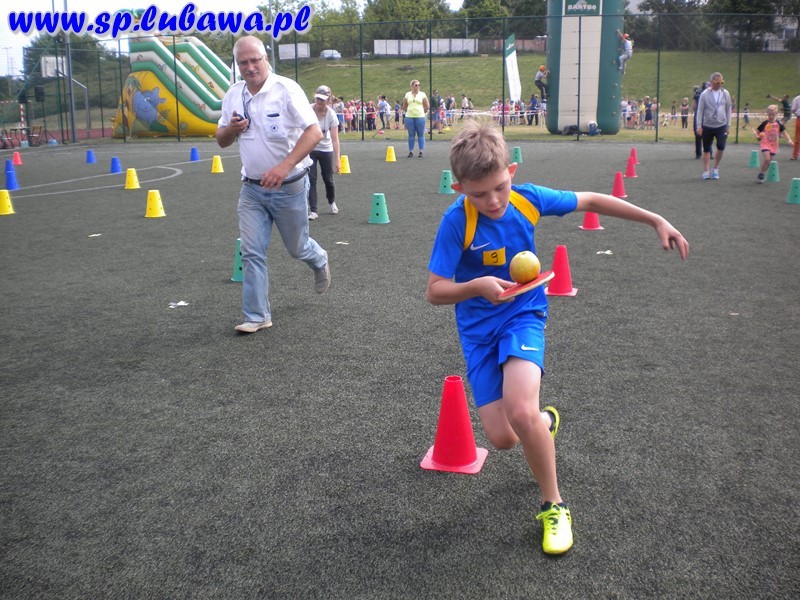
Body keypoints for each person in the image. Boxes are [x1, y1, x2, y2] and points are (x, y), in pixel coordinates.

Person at [425, 121, 689, 556]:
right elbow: (434, 291)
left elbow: (590, 200)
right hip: (477, 331)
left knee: (520, 410)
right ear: (459, 189)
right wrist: (476, 286)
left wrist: (654, 219)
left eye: (500, 187)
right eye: (479, 194)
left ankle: (554, 505)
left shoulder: (527, 199)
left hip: (523, 315)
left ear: (512, 171)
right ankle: (544, 424)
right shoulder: (457, 221)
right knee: (503, 437)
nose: (493, 201)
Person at [216, 36, 330, 334]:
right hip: (251, 189)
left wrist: (284, 167)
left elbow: (314, 132)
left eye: (255, 60)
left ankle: (319, 259)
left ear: (266, 58)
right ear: (237, 65)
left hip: (290, 186)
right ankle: (257, 316)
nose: (250, 67)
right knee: (251, 252)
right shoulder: (233, 94)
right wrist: (231, 129)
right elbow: (221, 140)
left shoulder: (286, 89)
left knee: (297, 248)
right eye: (243, 62)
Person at [307, 85, 341, 219]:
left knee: (328, 179)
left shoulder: (331, 115)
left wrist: (337, 160)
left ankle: (331, 201)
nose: (319, 102)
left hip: (326, 149)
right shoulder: (308, 110)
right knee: (311, 178)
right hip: (310, 148)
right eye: (318, 99)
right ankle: (313, 210)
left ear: (328, 100)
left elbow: (335, 139)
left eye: (322, 99)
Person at [696, 72, 731, 180]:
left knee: (721, 146)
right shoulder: (705, 94)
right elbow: (700, 110)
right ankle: (706, 171)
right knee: (706, 149)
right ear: (711, 82)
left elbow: (728, 109)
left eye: (722, 82)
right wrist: (699, 126)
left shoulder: (725, 93)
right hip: (707, 125)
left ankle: (715, 168)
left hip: (721, 125)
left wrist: (728, 125)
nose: (720, 84)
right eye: (717, 82)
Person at [753, 105, 794, 183]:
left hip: (774, 145)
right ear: (767, 113)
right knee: (767, 159)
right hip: (765, 144)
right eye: (769, 115)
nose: (771, 116)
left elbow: (784, 133)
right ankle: (761, 174)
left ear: (776, 113)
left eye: (772, 115)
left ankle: (762, 173)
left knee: (768, 162)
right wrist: (758, 137)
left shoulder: (779, 124)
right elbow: (757, 132)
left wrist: (789, 140)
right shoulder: (765, 123)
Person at [402, 80, 429, 158]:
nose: (418, 87)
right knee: (411, 134)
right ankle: (411, 151)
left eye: (419, 85)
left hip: (420, 117)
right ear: (412, 86)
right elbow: (404, 105)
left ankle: (421, 151)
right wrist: (408, 111)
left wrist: (423, 112)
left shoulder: (422, 94)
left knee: (420, 134)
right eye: (416, 85)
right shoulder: (407, 94)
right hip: (409, 117)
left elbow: (427, 106)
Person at [791, 93, 800, 160]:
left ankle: (795, 155)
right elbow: (793, 110)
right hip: (799, 118)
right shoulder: (797, 98)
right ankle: (795, 154)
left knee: (797, 138)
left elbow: (794, 110)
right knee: (797, 138)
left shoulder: (797, 98)